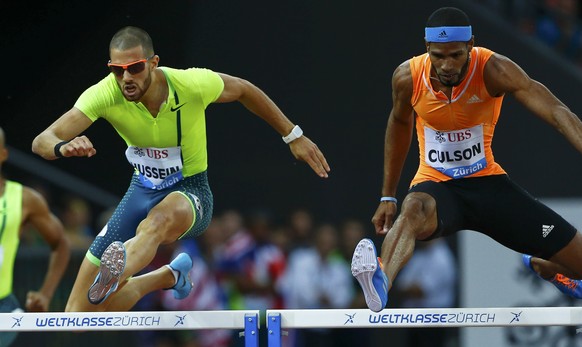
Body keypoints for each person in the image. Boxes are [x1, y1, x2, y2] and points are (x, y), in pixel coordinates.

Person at [31, 26, 330, 312]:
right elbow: (42, 141)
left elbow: (243, 90)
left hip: (190, 190)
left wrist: (293, 135)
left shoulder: (190, 84)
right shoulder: (105, 93)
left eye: (134, 67)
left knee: (156, 223)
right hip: (141, 191)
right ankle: (163, 277)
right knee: (78, 314)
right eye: (117, 70)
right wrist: (62, 147)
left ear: (153, 63)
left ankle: (120, 268)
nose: (126, 79)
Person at [350, 7, 582, 313]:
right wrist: (387, 195)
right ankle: (381, 281)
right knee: (413, 209)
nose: (447, 65)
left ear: (471, 45)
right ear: (427, 47)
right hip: (436, 185)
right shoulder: (408, 77)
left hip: (488, 186)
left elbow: (555, 111)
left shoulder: (494, 69)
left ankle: (550, 268)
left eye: (456, 55)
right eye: (439, 55)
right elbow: (400, 124)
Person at [0, 127, 70, 346]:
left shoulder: (24, 200)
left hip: (3, 308)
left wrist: (46, 294)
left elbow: (60, 244)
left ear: (2, 154)